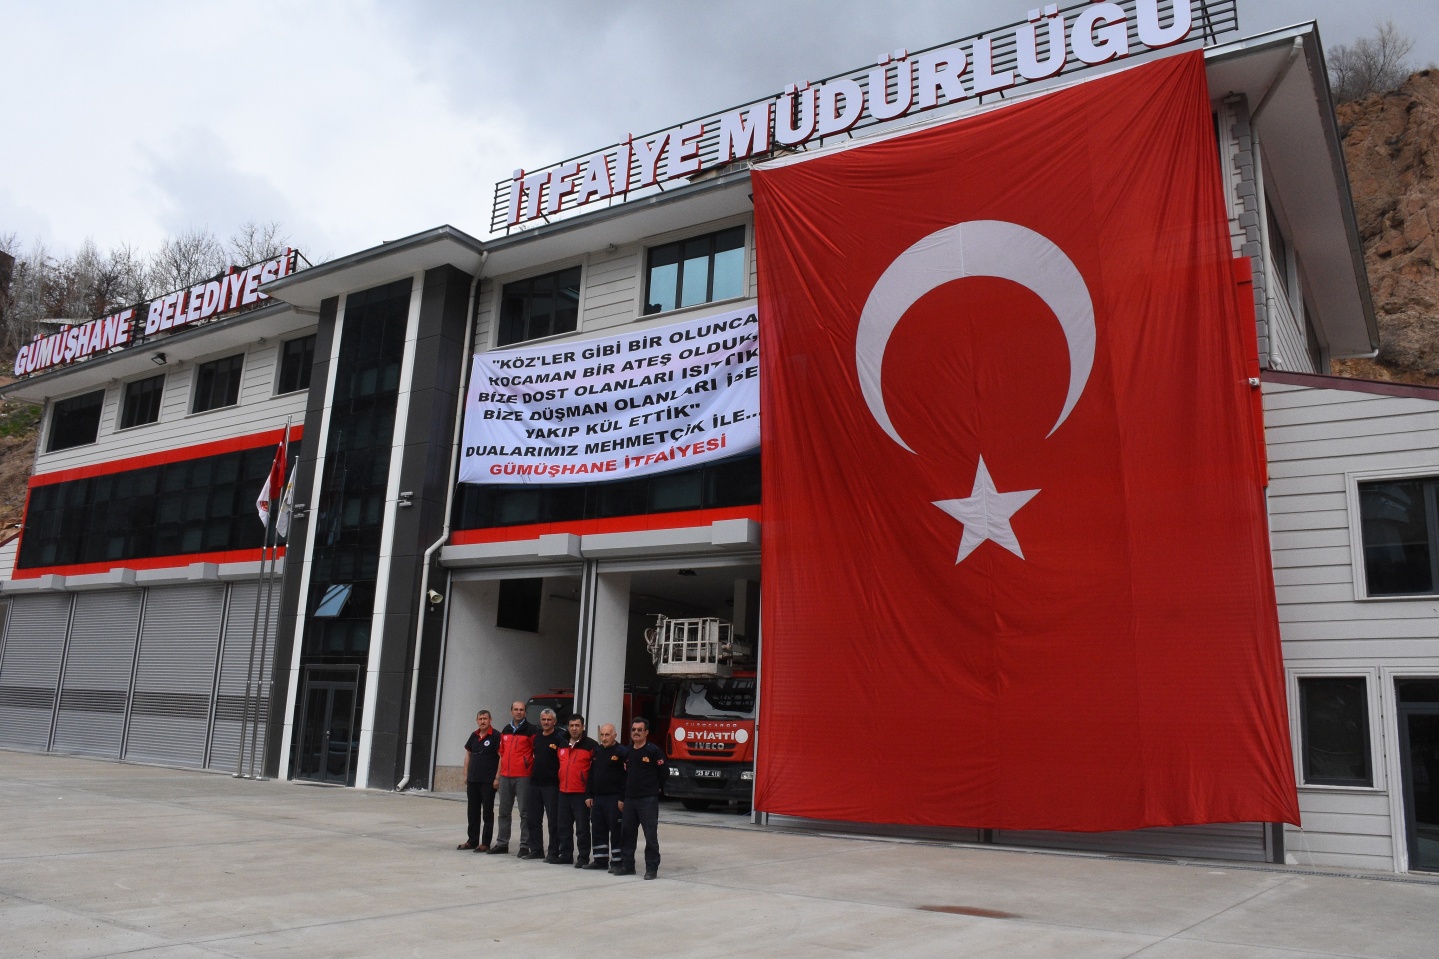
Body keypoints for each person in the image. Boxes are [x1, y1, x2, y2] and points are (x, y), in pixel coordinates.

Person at [617, 716, 665, 879]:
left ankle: (651, 868)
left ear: (646, 733)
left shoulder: (653, 751)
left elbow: (663, 773)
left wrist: (656, 788)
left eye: (640, 730)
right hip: (629, 800)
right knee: (627, 834)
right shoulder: (627, 752)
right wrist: (622, 798)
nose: (636, 733)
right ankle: (627, 865)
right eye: (634, 730)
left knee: (650, 835)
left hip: (647, 800)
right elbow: (623, 777)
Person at [489, 701, 534, 856]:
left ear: (525, 713)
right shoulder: (506, 730)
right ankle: (502, 843)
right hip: (505, 776)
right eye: (516, 709)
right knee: (504, 812)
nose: (518, 712)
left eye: (521, 710)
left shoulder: (531, 730)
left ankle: (524, 846)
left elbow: (536, 753)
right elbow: (501, 755)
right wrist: (497, 777)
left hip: (523, 777)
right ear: (511, 712)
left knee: (525, 813)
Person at [556, 714, 598, 867]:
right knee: (564, 826)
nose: (574, 728)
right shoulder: (561, 743)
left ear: (583, 727)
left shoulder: (591, 746)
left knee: (582, 828)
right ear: (568, 726)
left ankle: (583, 857)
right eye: (571, 725)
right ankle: (566, 855)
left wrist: (590, 793)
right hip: (563, 792)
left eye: (577, 725)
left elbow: (594, 771)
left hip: (581, 793)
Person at [526, 707, 566, 862]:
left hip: (552, 785)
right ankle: (536, 849)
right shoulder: (536, 737)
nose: (546, 722)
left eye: (549, 720)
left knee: (553, 821)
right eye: (543, 719)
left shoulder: (560, 738)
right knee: (533, 819)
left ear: (554, 722)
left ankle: (553, 852)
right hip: (535, 784)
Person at [584, 722, 625, 872]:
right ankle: (600, 860)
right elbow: (591, 775)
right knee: (598, 829)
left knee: (616, 830)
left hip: (614, 798)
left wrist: (622, 798)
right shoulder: (597, 751)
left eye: (607, 734)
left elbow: (625, 777)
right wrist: (588, 794)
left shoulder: (622, 752)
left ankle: (617, 862)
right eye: (602, 734)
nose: (604, 738)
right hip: (598, 798)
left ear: (615, 735)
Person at [458, 709, 500, 851]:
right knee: (472, 811)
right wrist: (465, 774)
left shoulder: (496, 736)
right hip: (473, 780)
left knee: (487, 812)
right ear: (477, 721)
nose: (483, 721)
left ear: (490, 720)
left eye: (485, 719)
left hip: (488, 781)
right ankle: (472, 840)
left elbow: (501, 757)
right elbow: (468, 755)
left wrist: (497, 778)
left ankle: (485, 843)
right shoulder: (474, 736)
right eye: (480, 719)